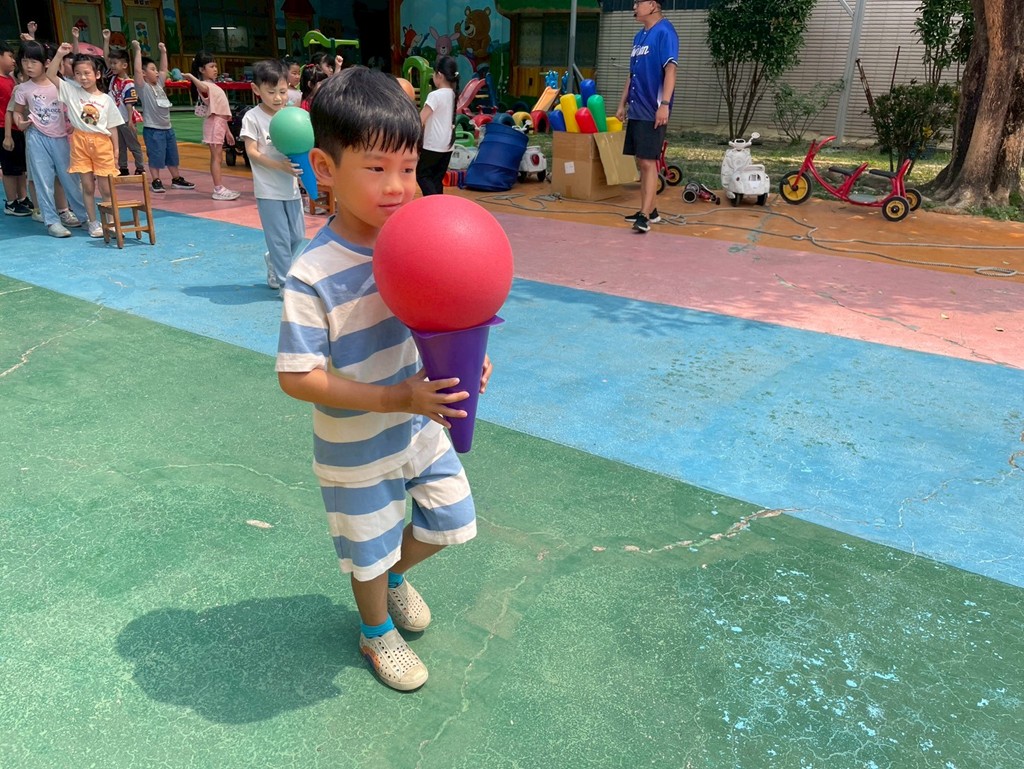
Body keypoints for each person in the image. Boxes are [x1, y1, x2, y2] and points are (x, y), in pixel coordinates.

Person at [276, 67, 492, 692]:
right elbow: (298, 378)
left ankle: (395, 575)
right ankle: (375, 632)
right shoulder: (313, 274)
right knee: (366, 550)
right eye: (376, 168)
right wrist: (395, 396)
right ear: (324, 167)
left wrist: (466, 358)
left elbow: (446, 311)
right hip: (356, 444)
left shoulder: (418, 242)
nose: (397, 186)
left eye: (407, 167)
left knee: (451, 517)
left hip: (419, 423)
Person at [12, 41, 88, 238]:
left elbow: (75, 107)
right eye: (24, 61)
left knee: (70, 178)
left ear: (46, 63)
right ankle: (52, 221)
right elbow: (17, 112)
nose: (28, 66)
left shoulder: (60, 85)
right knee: (43, 181)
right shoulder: (22, 89)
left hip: (61, 138)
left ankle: (84, 216)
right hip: (36, 137)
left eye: (33, 62)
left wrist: (73, 124)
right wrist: (20, 123)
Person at [239, 59, 303, 292]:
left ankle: (274, 259)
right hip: (268, 190)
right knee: (279, 238)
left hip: (291, 187)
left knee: (297, 236)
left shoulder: (290, 116)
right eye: (271, 92)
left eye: (283, 92)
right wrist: (279, 166)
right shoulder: (252, 117)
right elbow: (252, 153)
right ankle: (286, 284)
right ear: (256, 90)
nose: (278, 98)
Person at [46, 43, 123, 238]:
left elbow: (112, 127)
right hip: (80, 142)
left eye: (87, 73)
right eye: (78, 73)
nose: (82, 77)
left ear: (97, 74)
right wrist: (59, 54)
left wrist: (116, 151)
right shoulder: (71, 91)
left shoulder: (106, 99)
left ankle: (111, 222)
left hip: (102, 143)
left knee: (106, 188)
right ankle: (93, 222)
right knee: (87, 186)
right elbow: (50, 75)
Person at [616, 0, 678, 234]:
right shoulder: (639, 36)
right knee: (642, 160)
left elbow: (671, 70)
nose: (634, 7)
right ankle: (651, 210)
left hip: (653, 108)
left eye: (638, 2)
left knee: (648, 161)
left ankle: (644, 216)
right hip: (637, 107)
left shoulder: (665, 32)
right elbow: (632, 74)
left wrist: (664, 105)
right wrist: (622, 104)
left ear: (652, 5)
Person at [130, 40, 195, 194]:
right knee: (155, 156)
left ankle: (176, 178)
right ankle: (156, 180)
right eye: (152, 69)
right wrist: (137, 50)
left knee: (172, 155)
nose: (157, 72)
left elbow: (164, 69)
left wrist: (164, 52)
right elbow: (137, 71)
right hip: (153, 130)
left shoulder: (159, 85)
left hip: (168, 129)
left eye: (156, 69)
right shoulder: (143, 87)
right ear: (144, 74)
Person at [183, 52, 240, 200]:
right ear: (202, 70)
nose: (215, 69)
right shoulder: (205, 86)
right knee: (216, 157)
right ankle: (218, 188)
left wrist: (227, 132)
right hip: (214, 124)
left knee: (218, 157)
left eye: (215, 66)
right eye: (211, 66)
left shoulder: (212, 85)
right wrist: (192, 77)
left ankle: (219, 187)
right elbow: (202, 87)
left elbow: (221, 112)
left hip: (219, 124)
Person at [101, 32, 146, 177]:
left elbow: (129, 104)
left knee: (133, 145)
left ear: (125, 65)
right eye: (112, 63)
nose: (112, 66)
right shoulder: (112, 76)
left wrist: (131, 121)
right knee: (120, 145)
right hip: (115, 119)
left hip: (126, 119)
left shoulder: (129, 83)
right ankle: (123, 167)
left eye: (115, 63)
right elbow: (106, 59)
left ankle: (140, 167)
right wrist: (106, 40)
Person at [415, 55, 458, 196]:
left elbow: (420, 119)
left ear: (439, 75)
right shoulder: (453, 94)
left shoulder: (435, 95)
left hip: (433, 145)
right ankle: (439, 206)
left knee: (422, 175)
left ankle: (433, 204)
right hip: (448, 145)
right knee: (436, 180)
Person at [0, 40, 32, 216]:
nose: (13, 60)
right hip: (4, 129)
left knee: (20, 167)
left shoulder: (11, 79)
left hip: (17, 128)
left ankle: (22, 198)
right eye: (10, 56)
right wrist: (7, 135)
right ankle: (11, 202)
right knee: (10, 168)